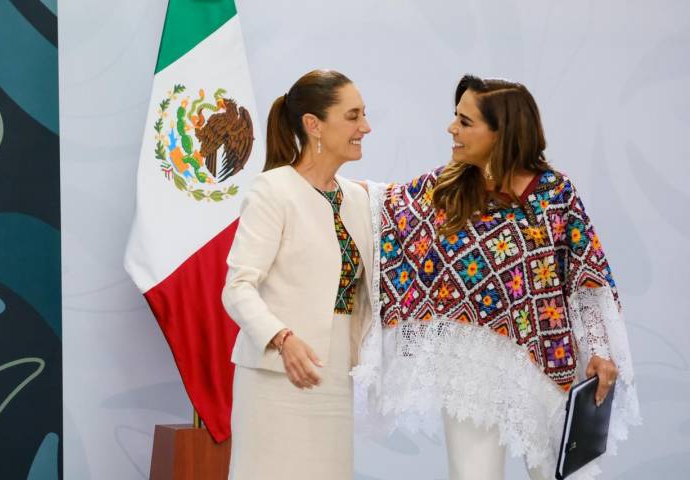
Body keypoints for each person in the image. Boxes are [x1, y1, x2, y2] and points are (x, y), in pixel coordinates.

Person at [353, 75, 640, 480]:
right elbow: (382, 205)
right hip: (471, 364)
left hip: (547, 360)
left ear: (502, 131)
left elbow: (586, 276)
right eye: (455, 117)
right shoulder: (448, 188)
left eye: (465, 121)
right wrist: (312, 179)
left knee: (559, 473)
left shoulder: (555, 194)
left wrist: (598, 348)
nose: (451, 128)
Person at [222, 69, 373, 480]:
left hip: (335, 377)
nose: (365, 127)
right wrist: (282, 339)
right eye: (353, 116)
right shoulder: (272, 190)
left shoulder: (358, 199)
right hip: (277, 377)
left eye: (364, 114)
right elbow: (237, 288)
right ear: (313, 124)